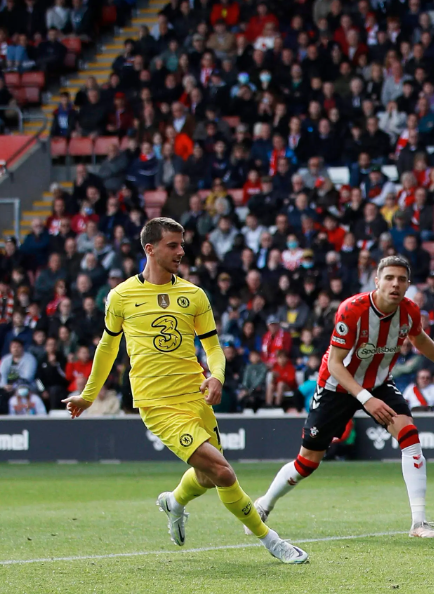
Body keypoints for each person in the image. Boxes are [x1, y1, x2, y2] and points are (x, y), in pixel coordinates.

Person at [61, 218, 307, 564]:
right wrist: (88, 395)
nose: (181, 251)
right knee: (223, 472)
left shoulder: (194, 295)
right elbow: (106, 348)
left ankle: (174, 502)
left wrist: (217, 376)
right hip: (156, 403)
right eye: (173, 245)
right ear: (150, 249)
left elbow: (214, 347)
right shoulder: (120, 296)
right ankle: (272, 541)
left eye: (182, 244)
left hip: (195, 394)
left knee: (208, 478)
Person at [251, 256, 434, 539]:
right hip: (336, 386)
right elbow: (335, 365)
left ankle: (419, 522)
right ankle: (264, 504)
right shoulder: (352, 309)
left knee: (410, 436)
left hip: (378, 383)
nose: (395, 284)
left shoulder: (410, 310)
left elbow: (420, 339)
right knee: (308, 462)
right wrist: (366, 398)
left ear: (408, 285)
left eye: (402, 279)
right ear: (377, 281)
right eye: (389, 278)